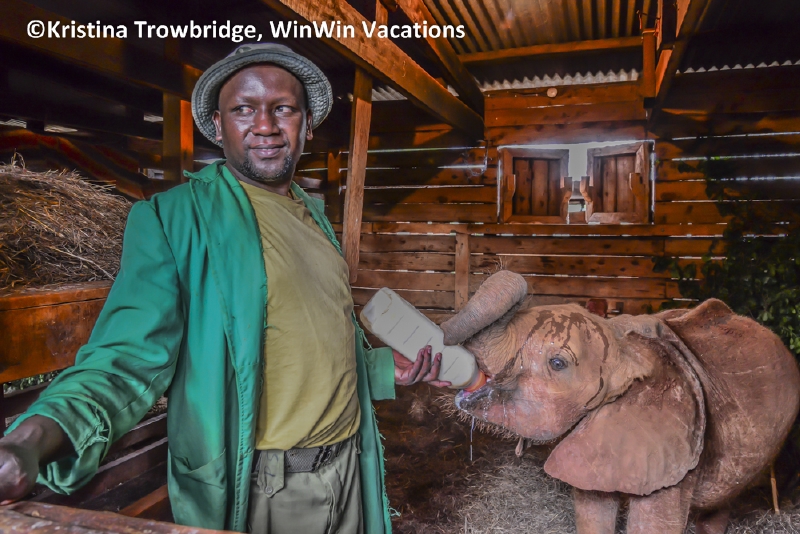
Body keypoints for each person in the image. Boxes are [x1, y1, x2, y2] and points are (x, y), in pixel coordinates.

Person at [0, 43, 450, 534]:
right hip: (271, 489)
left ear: (307, 125)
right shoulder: (174, 219)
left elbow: (313, 338)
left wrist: (385, 369)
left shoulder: (314, 216)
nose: (265, 125)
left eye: (283, 109)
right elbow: (123, 359)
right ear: (217, 126)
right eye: (244, 110)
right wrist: (31, 438)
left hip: (350, 468)